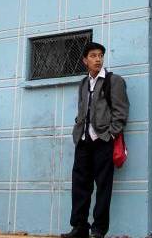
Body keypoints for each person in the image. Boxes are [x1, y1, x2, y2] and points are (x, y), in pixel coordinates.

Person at [61, 42, 129, 238]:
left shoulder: (113, 81)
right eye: (93, 55)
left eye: (100, 55)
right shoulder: (83, 83)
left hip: (103, 141)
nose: (98, 59)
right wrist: (78, 129)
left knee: (103, 187)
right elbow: (82, 110)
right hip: (83, 141)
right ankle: (79, 227)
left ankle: (98, 229)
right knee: (80, 185)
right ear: (85, 60)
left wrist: (110, 135)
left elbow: (121, 112)